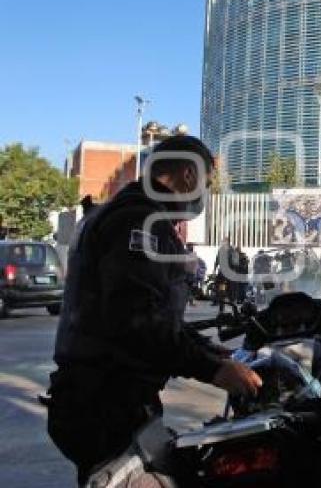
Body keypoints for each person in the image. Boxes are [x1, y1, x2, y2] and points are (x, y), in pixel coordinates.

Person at [46, 135, 262, 484]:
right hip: (103, 405)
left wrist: (214, 352)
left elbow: (155, 313)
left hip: (108, 400)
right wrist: (213, 370)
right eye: (206, 183)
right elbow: (137, 322)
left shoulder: (126, 213)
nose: (204, 194)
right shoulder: (139, 221)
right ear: (189, 177)